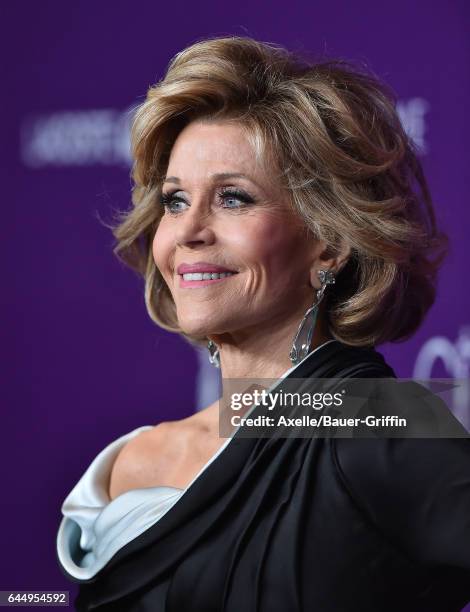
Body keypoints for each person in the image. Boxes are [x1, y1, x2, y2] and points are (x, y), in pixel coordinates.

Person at [56, 35, 470, 611]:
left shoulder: (375, 423)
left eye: (233, 198)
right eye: (176, 201)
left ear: (329, 242)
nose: (190, 231)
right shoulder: (135, 459)